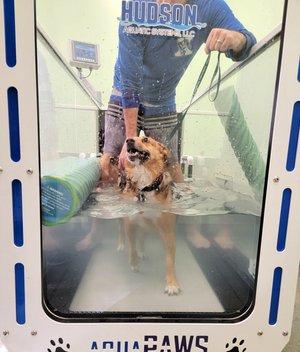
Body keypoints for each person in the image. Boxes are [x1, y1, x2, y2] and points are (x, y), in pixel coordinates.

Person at [102, 0, 256, 247]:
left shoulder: (210, 6)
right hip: (123, 93)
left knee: (173, 169)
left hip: (162, 100)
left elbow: (247, 42)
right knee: (109, 162)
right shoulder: (137, 5)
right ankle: (102, 234)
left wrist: (233, 38)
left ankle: (188, 227)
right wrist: (129, 142)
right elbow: (130, 81)